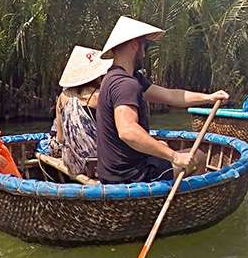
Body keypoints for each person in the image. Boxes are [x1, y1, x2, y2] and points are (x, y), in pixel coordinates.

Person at [96, 16, 229, 184]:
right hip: (130, 176)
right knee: (200, 157)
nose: (144, 53)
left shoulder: (122, 77)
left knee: (163, 144)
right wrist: (175, 157)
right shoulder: (125, 84)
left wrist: (209, 98)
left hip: (116, 170)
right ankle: (184, 206)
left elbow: (171, 95)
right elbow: (128, 131)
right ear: (134, 45)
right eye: (145, 46)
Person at [51, 46, 112, 176]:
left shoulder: (63, 97)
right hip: (100, 164)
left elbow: (60, 138)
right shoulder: (101, 96)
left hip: (73, 162)